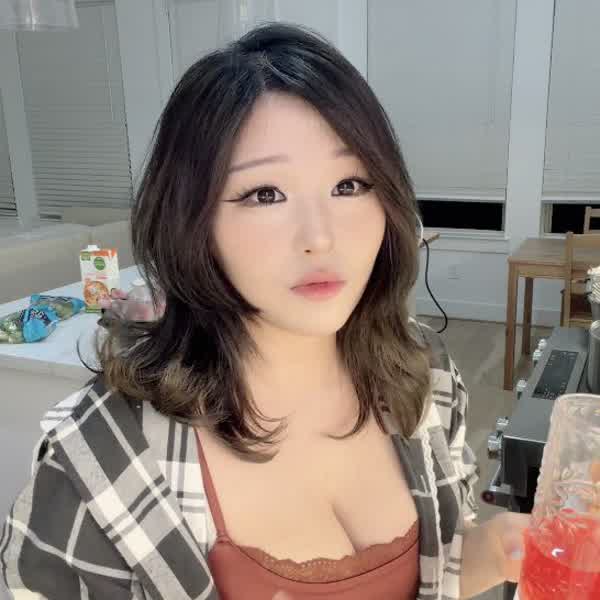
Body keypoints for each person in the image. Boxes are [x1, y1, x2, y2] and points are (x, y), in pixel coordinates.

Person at [0, 23, 530, 600]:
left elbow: (434, 572)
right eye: (265, 194)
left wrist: (499, 549)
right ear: (192, 221)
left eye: (350, 184)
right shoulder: (98, 465)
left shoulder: (422, 374)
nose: (321, 237)